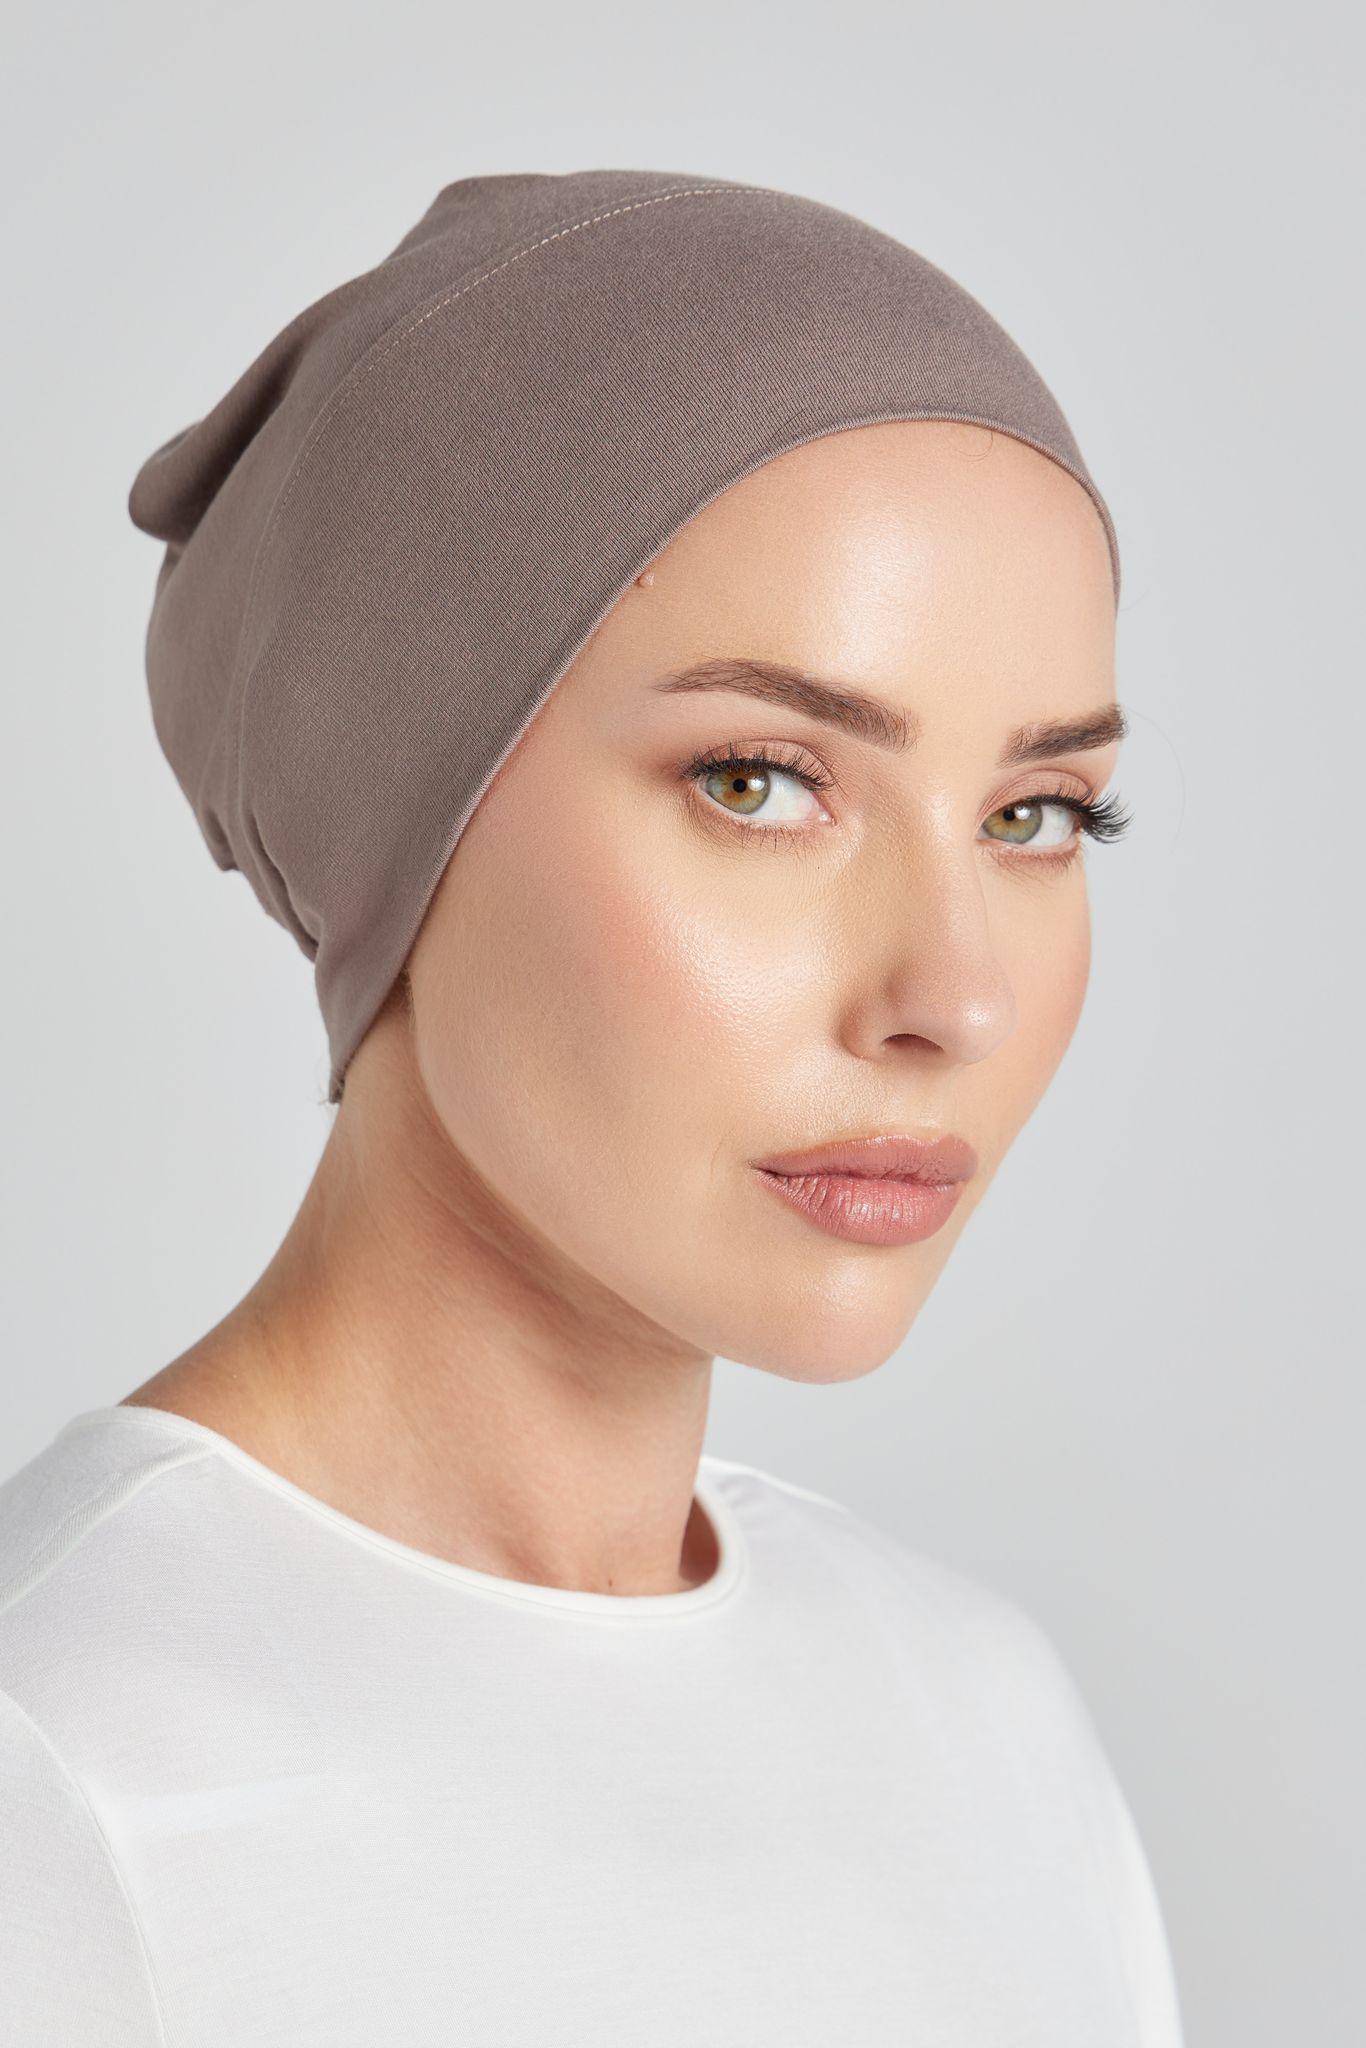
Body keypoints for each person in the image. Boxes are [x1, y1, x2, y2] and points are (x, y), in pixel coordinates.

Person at [0, 169, 1185, 2043]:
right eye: (758, 781)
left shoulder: (981, 1721)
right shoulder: (65, 1775)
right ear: (397, 807)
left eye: (1035, 814)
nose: (953, 996)